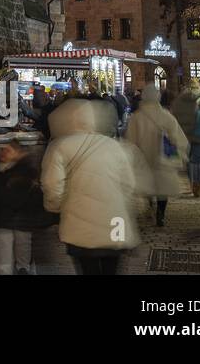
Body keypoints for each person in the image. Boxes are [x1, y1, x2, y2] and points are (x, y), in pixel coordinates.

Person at [41, 97, 139, 274]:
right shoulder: (114, 145)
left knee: (88, 269)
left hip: (80, 223)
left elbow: (52, 186)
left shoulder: (59, 147)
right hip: (115, 222)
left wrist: (56, 208)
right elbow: (129, 185)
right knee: (111, 268)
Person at [124, 83, 189, 227]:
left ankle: (150, 204)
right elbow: (177, 137)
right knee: (162, 187)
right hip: (163, 159)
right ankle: (161, 214)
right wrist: (179, 152)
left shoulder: (136, 117)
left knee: (148, 184)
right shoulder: (166, 116)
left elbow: (130, 140)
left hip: (143, 158)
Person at [0, 138, 54, 274]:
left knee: (22, 248)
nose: (3, 153)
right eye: (1, 150)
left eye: (7, 150)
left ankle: (23, 269)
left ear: (17, 152)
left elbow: (25, 195)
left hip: (22, 217)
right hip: (4, 217)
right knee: (5, 251)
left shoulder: (26, 168)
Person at [171, 78, 200, 196]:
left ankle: (191, 185)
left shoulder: (178, 100)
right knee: (199, 161)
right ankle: (197, 185)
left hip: (184, 135)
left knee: (189, 161)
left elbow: (173, 117)